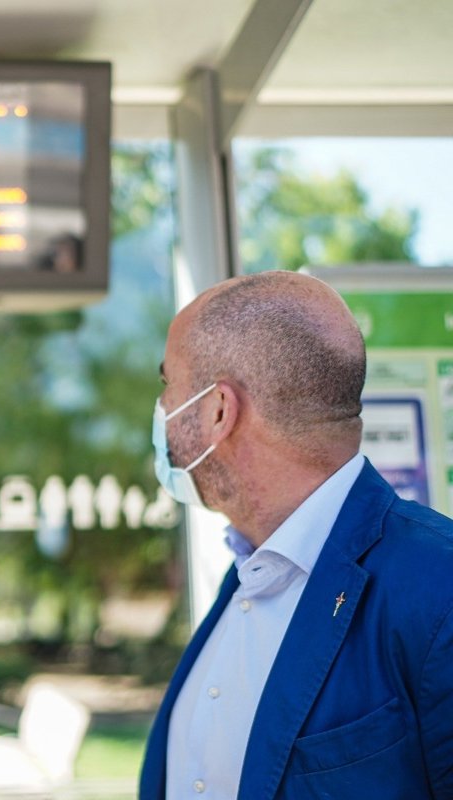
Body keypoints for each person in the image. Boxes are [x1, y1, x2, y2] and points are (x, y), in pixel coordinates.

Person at [139, 271, 453, 799]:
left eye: (168, 384)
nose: (163, 411)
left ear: (219, 410)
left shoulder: (438, 587)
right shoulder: (247, 573)